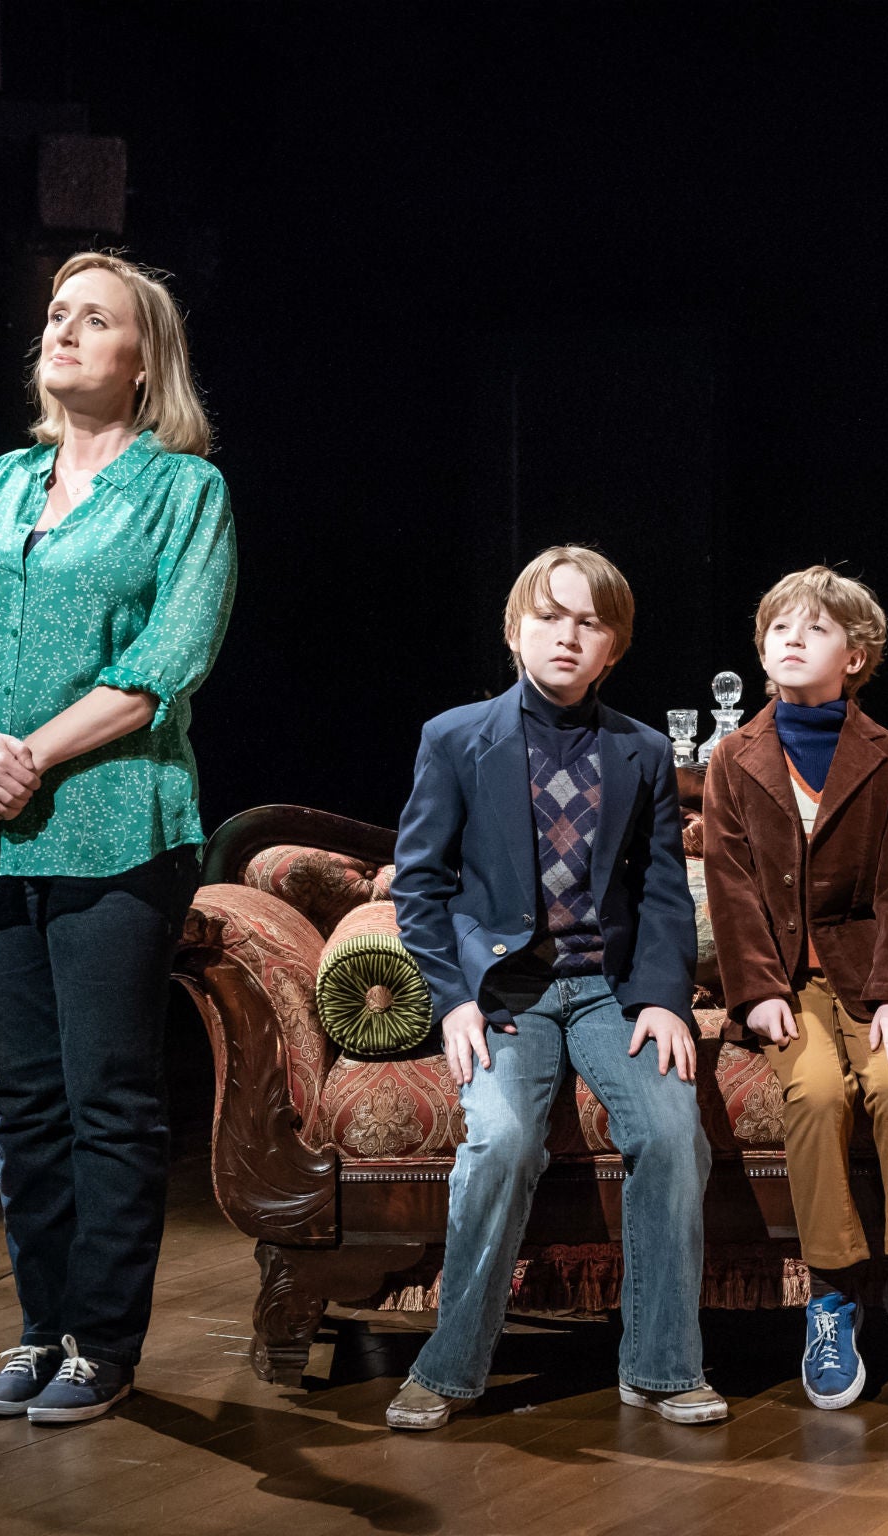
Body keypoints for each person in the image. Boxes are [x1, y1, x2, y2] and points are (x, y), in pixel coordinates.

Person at [0, 252, 236, 1423]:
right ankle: (40, 1328)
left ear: (143, 361)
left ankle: (103, 1340)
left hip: (111, 827)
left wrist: (26, 754)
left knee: (106, 1095)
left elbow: (160, 672)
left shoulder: (184, 492)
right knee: (22, 1100)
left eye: (93, 319)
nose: (63, 331)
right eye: (55, 314)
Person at [382, 545, 723, 1430]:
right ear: (515, 629)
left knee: (674, 1133)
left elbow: (659, 888)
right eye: (550, 616)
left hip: (609, 989)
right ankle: (449, 1365)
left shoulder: (642, 750)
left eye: (589, 621)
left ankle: (660, 1366)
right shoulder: (456, 737)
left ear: (613, 646)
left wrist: (663, 997)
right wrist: (454, 999)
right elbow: (418, 885)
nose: (567, 636)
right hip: (507, 993)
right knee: (498, 1139)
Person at [702, 566, 888, 1410]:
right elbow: (730, 887)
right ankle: (835, 1291)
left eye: (815, 627)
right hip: (784, 981)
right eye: (778, 627)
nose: (792, 638)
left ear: (857, 655)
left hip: (868, 973)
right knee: (811, 1092)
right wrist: (757, 988)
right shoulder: (734, 759)